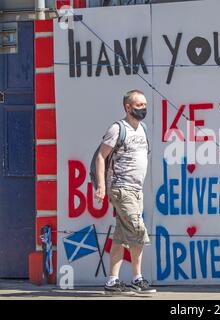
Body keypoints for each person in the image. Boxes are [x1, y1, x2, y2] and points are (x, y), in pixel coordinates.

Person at [94, 89, 155, 294]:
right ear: (128, 107)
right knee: (138, 231)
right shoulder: (117, 128)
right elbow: (101, 157)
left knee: (121, 236)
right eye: (139, 105)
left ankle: (112, 281)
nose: (143, 109)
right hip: (121, 188)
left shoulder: (143, 128)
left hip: (136, 190)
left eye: (145, 105)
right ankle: (137, 279)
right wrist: (102, 185)